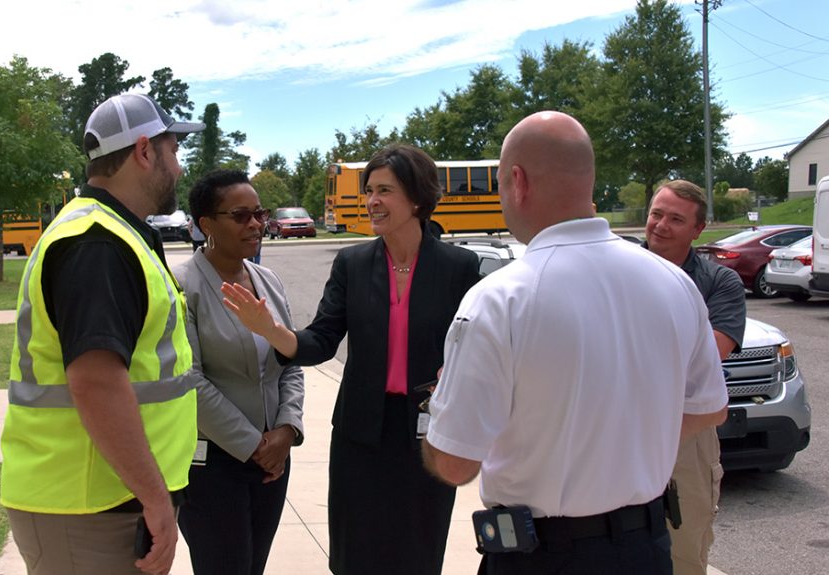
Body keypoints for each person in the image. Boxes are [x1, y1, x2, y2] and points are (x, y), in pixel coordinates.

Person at [421, 111, 729, 575]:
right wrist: (624, 436)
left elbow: (454, 464)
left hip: (544, 555)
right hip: (647, 549)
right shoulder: (673, 282)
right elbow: (709, 408)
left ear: (518, 181)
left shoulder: (500, 298)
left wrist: (438, 405)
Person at [222, 143, 481, 575]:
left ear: (417, 197)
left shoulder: (459, 266)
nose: (372, 201)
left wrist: (457, 379)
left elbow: (473, 347)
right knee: (354, 552)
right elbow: (322, 340)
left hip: (428, 433)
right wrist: (272, 331)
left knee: (419, 547)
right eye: (369, 191)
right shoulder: (353, 263)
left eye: (385, 190)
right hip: (361, 435)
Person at [0, 92, 205, 575]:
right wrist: (156, 500)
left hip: (104, 498)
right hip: (89, 507)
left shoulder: (116, 233)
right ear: (144, 151)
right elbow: (95, 383)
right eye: (173, 150)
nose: (177, 167)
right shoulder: (97, 245)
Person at [173, 169, 305, 575]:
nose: (256, 224)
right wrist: (253, 446)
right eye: (241, 215)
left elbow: (290, 360)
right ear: (205, 224)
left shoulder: (268, 281)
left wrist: (286, 429)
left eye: (259, 214)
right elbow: (188, 381)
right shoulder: (181, 286)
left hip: (272, 462)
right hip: (213, 466)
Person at [645, 179, 746, 575]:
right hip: (617, 425)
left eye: (675, 219)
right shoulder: (616, 271)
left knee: (684, 550)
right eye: (656, 214)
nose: (660, 225)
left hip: (687, 429)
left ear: (697, 229)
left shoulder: (720, 283)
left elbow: (710, 354)